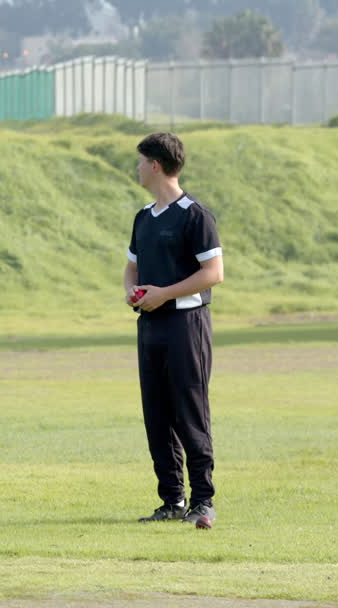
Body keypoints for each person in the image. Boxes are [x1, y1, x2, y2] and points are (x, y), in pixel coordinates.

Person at [124, 132, 224, 528]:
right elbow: (132, 266)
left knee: (189, 411)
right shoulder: (143, 217)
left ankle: (204, 501)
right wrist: (131, 291)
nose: (136, 168)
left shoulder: (195, 215)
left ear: (155, 165)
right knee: (157, 413)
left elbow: (213, 273)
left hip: (187, 325)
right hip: (150, 325)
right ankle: (172, 500)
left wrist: (165, 293)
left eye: (140, 161)